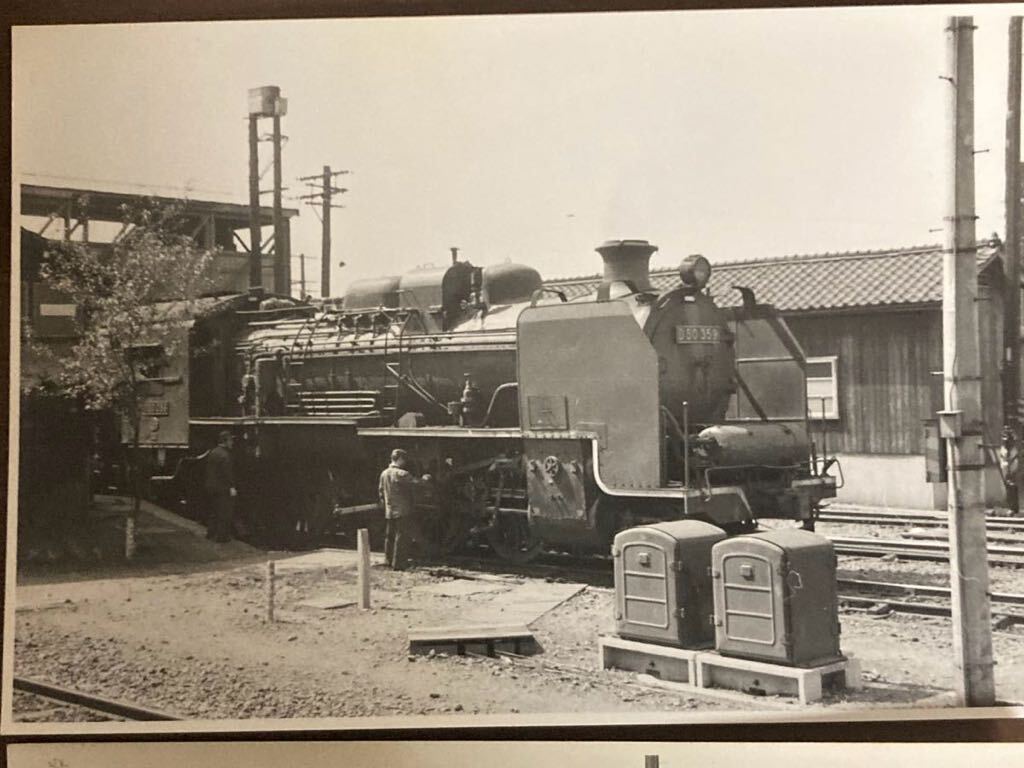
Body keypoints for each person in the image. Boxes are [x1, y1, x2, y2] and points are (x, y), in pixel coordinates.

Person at [378, 448, 430, 570]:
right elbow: (416, 483)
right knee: (402, 537)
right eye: (404, 459)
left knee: (389, 536)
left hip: (389, 511)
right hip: (402, 511)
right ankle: (399, 564)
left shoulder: (384, 473)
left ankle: (388, 560)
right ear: (400, 459)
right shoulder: (402, 474)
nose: (405, 462)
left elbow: (380, 492)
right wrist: (425, 479)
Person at [205, 430, 237, 543]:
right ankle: (222, 537)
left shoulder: (213, 452)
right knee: (224, 512)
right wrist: (232, 487)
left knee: (214, 510)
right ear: (225, 441)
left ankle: (210, 533)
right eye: (231, 440)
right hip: (222, 488)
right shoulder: (226, 455)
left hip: (211, 486)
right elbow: (227, 473)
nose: (232, 442)